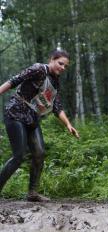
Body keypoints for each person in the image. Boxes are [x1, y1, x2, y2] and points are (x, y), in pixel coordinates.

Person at [0, 49, 79, 202]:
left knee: (40, 152)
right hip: (16, 112)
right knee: (19, 156)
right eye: (60, 63)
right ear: (52, 59)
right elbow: (14, 80)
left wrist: (69, 124)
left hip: (32, 118)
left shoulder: (55, 82)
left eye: (65, 66)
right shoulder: (38, 69)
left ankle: (32, 193)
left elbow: (56, 106)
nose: (62, 68)